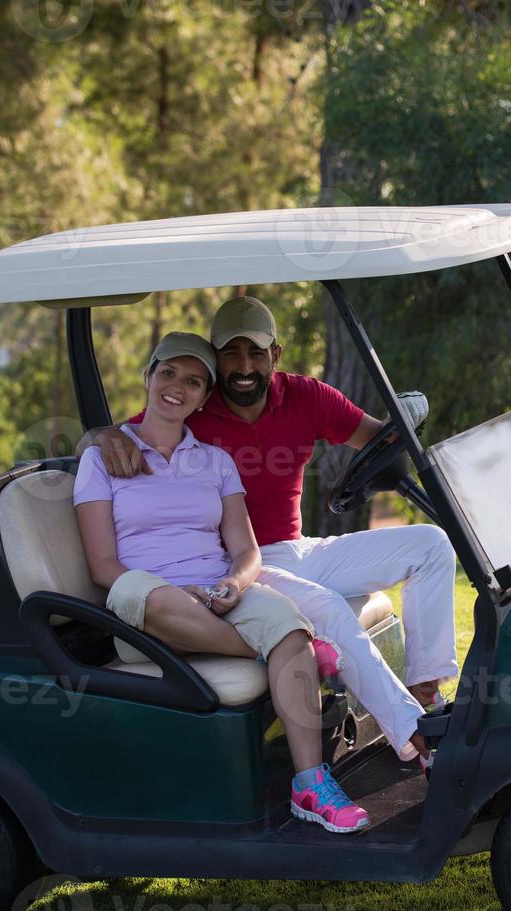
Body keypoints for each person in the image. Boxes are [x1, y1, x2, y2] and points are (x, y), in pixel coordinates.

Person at [82, 296, 456, 766]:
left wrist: (409, 441)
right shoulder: (196, 404)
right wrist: (100, 433)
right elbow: (128, 434)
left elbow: (377, 437)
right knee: (330, 611)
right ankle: (420, 740)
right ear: (215, 362)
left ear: (275, 356)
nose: (243, 366)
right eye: (231, 354)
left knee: (430, 544)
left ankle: (425, 692)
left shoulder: (306, 396)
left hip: (300, 549)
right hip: (244, 562)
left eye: (255, 353)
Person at [73, 332, 369, 833]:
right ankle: (270, 649)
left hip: (217, 595)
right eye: (167, 373)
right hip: (144, 608)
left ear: (203, 394)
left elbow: (246, 550)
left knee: (285, 623)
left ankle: (310, 785)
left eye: (193, 381)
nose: (177, 388)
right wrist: (177, 593)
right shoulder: (103, 457)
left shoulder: (215, 462)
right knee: (159, 598)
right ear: (148, 376)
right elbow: (103, 565)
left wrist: (234, 582)